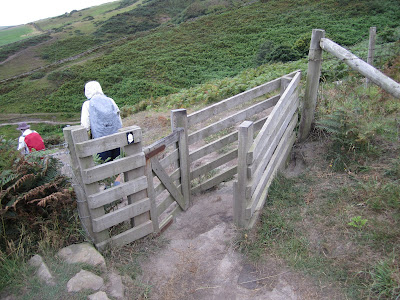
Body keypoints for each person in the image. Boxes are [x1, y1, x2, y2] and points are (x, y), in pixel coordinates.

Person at [81, 81, 122, 162]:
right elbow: (119, 120)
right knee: (118, 165)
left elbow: (85, 126)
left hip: (100, 142)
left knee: (104, 167)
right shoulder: (110, 100)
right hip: (116, 138)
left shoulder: (87, 104)